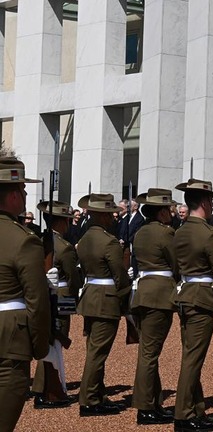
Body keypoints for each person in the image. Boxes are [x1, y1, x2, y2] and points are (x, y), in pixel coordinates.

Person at [173, 179, 213, 432]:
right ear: (205, 203)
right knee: (193, 359)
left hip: (185, 294)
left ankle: (196, 407)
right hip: (203, 297)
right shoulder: (209, 233)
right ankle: (184, 414)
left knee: (190, 355)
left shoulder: (180, 231)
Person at [0, 158, 50, 431]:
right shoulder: (24, 239)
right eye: (23, 190)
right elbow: (37, 302)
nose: (25, 196)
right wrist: (40, 345)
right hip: (9, 337)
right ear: (13, 195)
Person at [76, 193, 132, 416]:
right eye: (109, 215)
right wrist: (126, 299)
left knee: (94, 348)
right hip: (106, 298)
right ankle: (89, 399)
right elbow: (119, 275)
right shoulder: (108, 241)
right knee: (98, 353)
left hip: (91, 295)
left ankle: (97, 393)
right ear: (102, 216)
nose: (113, 219)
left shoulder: (86, 238)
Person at [130, 188, 179, 425]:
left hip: (142, 292)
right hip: (159, 295)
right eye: (168, 209)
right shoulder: (166, 233)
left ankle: (154, 402)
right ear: (161, 212)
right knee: (149, 354)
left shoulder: (140, 233)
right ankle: (145, 407)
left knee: (149, 352)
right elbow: (176, 263)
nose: (171, 213)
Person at [31, 200, 83, 409]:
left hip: (43, 293)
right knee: (56, 341)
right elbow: (73, 277)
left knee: (50, 339)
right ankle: (49, 390)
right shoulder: (65, 246)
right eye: (67, 221)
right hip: (61, 296)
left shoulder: (39, 241)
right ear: (62, 222)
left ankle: (45, 387)